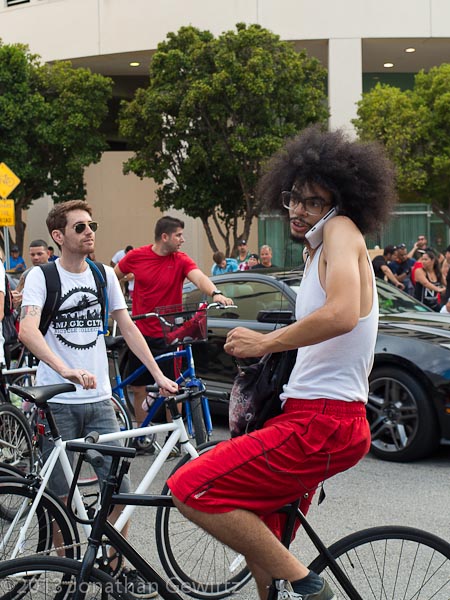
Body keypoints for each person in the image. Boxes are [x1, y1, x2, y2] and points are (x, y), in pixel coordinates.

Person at [167, 126, 397, 600]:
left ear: (341, 200)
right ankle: (286, 584)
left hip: (325, 421)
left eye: (313, 201)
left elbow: (342, 313)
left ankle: (309, 585)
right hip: (308, 415)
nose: (298, 210)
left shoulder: (340, 231)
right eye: (294, 197)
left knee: (189, 488)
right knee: (263, 550)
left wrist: (264, 343)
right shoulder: (317, 247)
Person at [19, 200, 178, 597]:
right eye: (80, 227)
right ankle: (71, 569)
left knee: (117, 490)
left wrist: (157, 374)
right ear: (59, 236)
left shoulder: (103, 274)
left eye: (92, 224)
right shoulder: (42, 277)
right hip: (58, 403)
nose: (90, 231)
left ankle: (114, 570)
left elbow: (127, 327)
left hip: (101, 402)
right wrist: (65, 368)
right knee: (58, 499)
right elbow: (27, 330)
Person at [114, 216, 233, 435]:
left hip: (169, 334)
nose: (182, 239)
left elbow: (198, 277)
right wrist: (114, 303)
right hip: (139, 333)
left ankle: (174, 436)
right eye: (178, 235)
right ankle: (142, 436)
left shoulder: (180, 259)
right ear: (164, 236)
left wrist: (215, 293)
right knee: (138, 386)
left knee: (171, 387)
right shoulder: (136, 256)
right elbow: (113, 278)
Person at [12, 239, 49, 307]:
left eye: (39, 254)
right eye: (32, 255)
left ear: (48, 254)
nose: (36, 257)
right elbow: (15, 302)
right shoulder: (26, 274)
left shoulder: (56, 271)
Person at [413, 247, 446, 311]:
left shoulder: (437, 272)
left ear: (432, 260)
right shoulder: (419, 271)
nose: (423, 262)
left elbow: (446, 283)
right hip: (421, 305)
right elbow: (425, 283)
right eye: (422, 259)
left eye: (426, 259)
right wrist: (438, 289)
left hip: (434, 305)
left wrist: (445, 289)